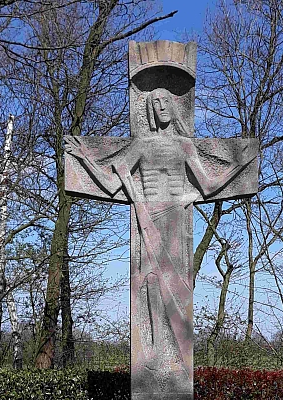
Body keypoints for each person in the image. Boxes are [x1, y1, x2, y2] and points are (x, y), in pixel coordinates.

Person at [64, 87, 250, 389]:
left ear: (173, 107)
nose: (160, 106)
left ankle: (177, 362)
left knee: (174, 286)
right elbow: (111, 184)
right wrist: (85, 157)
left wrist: (239, 166)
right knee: (149, 282)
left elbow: (207, 185)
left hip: (175, 220)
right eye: (155, 102)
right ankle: (155, 357)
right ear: (150, 110)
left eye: (165, 101)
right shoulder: (141, 145)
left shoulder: (184, 145)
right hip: (145, 218)